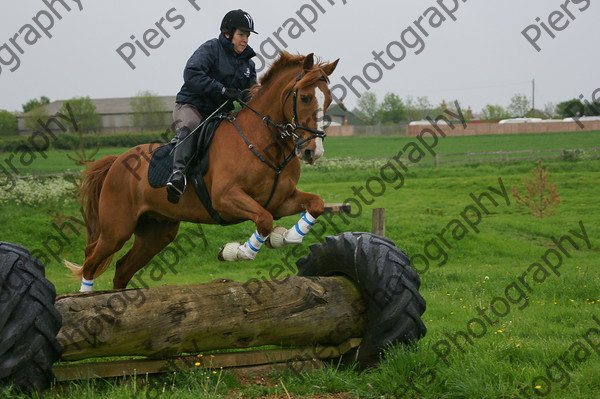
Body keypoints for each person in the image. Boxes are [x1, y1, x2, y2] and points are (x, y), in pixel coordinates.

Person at [166, 9, 258, 203]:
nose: (245, 40)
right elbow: (191, 74)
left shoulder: (248, 64)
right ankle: (178, 174)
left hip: (219, 114)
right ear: (227, 33)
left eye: (247, 35)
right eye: (241, 34)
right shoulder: (210, 49)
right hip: (191, 105)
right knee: (192, 125)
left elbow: (252, 95)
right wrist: (223, 90)